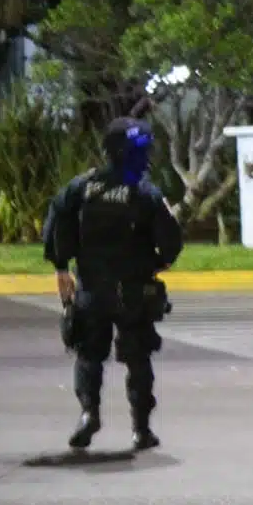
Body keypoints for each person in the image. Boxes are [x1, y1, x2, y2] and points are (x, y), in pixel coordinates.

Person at [43, 117, 182, 451]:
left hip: (92, 289)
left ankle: (89, 413)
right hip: (133, 291)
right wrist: (159, 262)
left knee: (89, 356)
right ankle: (141, 429)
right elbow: (171, 241)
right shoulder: (146, 192)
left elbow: (58, 220)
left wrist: (62, 267)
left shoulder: (83, 186)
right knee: (138, 359)